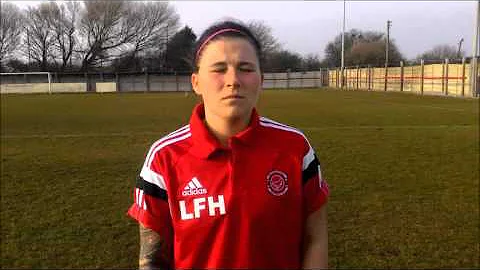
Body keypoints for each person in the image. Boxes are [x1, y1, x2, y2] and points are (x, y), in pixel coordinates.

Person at [127, 19, 329, 269]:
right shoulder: (163, 159)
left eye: (245, 68)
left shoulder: (296, 148)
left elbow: (315, 238)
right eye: (219, 69)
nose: (233, 80)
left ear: (261, 80)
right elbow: (152, 259)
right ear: (196, 82)